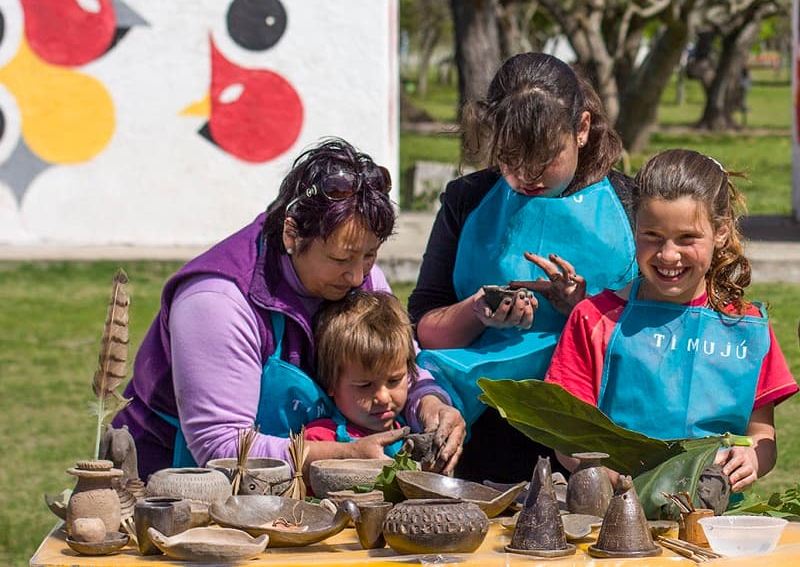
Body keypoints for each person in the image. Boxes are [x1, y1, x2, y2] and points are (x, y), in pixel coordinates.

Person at [113, 137, 466, 480]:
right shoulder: (216, 301)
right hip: (170, 482)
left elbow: (402, 361)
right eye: (341, 258)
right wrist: (345, 456)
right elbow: (219, 447)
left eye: (370, 255)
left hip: (286, 483)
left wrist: (430, 403)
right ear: (291, 235)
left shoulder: (361, 275)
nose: (359, 275)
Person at [408, 52, 638, 483]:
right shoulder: (467, 199)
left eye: (545, 157)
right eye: (511, 158)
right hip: (482, 430)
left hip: (596, 430)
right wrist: (475, 311)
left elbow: (659, 332)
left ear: (583, 129)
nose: (527, 175)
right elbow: (424, 324)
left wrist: (580, 309)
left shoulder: (631, 205)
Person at [545, 149, 798, 492]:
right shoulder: (593, 319)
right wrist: (616, 479)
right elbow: (565, 432)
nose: (668, 255)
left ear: (720, 232)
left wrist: (752, 458)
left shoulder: (747, 329)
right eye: (652, 236)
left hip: (713, 525)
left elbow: (761, 434)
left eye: (686, 239)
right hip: (612, 516)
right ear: (635, 228)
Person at [305, 290, 417, 457]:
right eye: (365, 385)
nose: (384, 398)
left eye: (394, 380)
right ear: (331, 383)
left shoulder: (413, 431)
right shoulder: (319, 440)